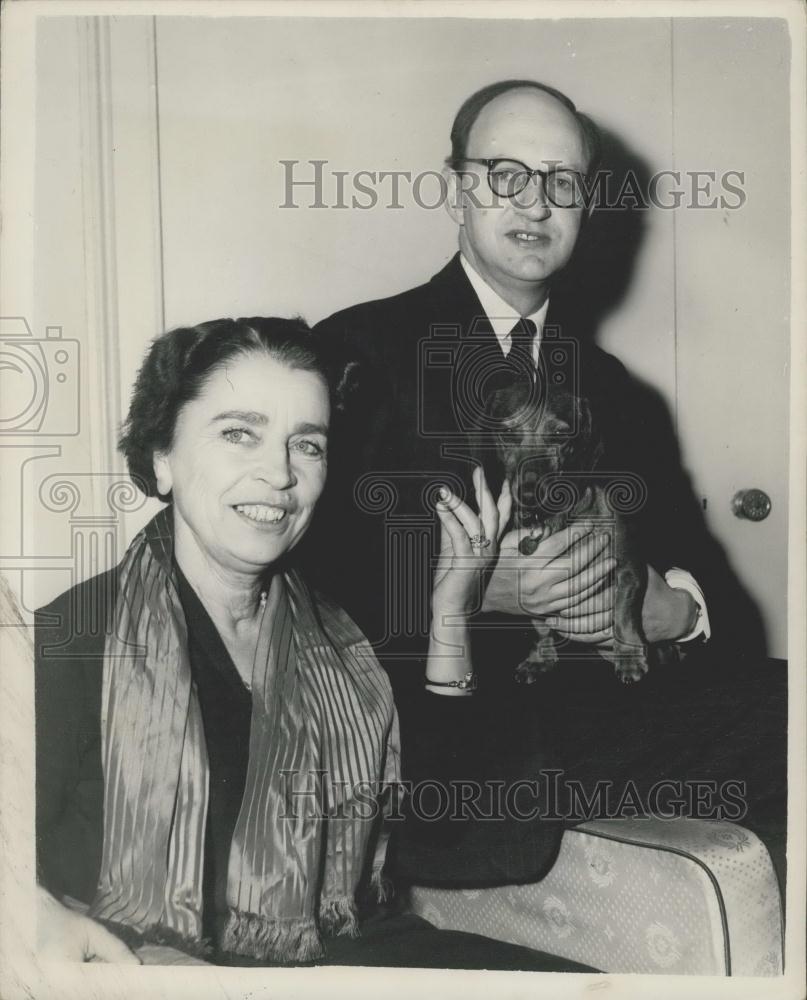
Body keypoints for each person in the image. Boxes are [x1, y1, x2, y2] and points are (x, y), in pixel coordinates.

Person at [308, 80, 771, 885]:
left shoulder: (617, 389)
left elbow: (721, 603)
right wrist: (476, 586)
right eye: (504, 174)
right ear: (457, 185)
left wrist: (666, 609)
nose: (535, 202)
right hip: (449, 741)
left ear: (585, 203)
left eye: (560, 180)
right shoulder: (357, 347)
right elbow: (296, 577)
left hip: (610, 720)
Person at [35, 316, 595, 972]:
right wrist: (40, 917)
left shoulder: (336, 634)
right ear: (162, 459)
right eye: (239, 434)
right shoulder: (69, 640)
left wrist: (449, 610)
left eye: (306, 445)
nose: (278, 473)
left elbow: (446, 829)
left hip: (336, 949)